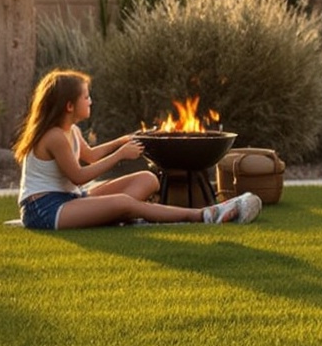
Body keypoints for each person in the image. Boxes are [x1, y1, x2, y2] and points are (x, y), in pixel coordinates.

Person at [14, 70, 262, 230]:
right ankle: (205, 215)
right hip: (44, 210)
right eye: (86, 97)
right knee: (124, 202)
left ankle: (122, 213)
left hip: (71, 199)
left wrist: (122, 141)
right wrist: (120, 156)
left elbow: (89, 156)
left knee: (147, 179)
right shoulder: (54, 136)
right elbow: (79, 175)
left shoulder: (71, 131)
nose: (90, 101)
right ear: (69, 105)